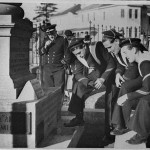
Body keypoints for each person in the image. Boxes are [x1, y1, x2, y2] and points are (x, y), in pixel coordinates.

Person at [64, 38, 115, 128]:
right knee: (78, 86)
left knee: (109, 101)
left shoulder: (96, 47)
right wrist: (89, 83)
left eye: (79, 53)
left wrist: (102, 78)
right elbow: (77, 74)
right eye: (76, 54)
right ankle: (79, 118)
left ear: (84, 46)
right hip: (95, 77)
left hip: (109, 75)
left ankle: (112, 126)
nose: (79, 56)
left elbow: (111, 63)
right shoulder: (77, 56)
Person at [101, 29, 142, 143]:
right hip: (133, 75)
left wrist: (124, 79)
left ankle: (121, 125)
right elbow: (120, 64)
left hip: (142, 76)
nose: (109, 51)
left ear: (116, 41)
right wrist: (118, 73)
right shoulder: (117, 51)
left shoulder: (128, 47)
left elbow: (134, 67)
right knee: (114, 89)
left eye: (110, 47)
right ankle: (116, 123)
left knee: (124, 87)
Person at [111, 38, 150, 144]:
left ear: (134, 50)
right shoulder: (143, 57)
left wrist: (127, 96)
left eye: (125, 52)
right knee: (132, 97)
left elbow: (147, 89)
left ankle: (142, 134)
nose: (125, 56)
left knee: (145, 100)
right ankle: (123, 124)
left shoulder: (145, 63)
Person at [40, 23, 71, 91]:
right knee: (48, 90)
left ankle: (60, 101)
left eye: (52, 34)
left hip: (58, 69)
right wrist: (45, 46)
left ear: (55, 32)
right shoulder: (45, 40)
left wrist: (64, 62)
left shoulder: (62, 39)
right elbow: (40, 52)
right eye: (49, 34)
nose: (51, 36)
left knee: (59, 90)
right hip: (47, 69)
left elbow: (68, 54)